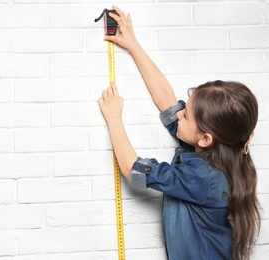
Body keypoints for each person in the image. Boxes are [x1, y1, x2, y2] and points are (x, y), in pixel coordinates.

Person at [98, 5, 261, 260]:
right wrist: (134, 46)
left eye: (186, 116)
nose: (179, 115)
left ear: (206, 138)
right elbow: (167, 101)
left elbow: (132, 169)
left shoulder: (202, 177)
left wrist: (114, 118)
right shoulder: (211, 151)